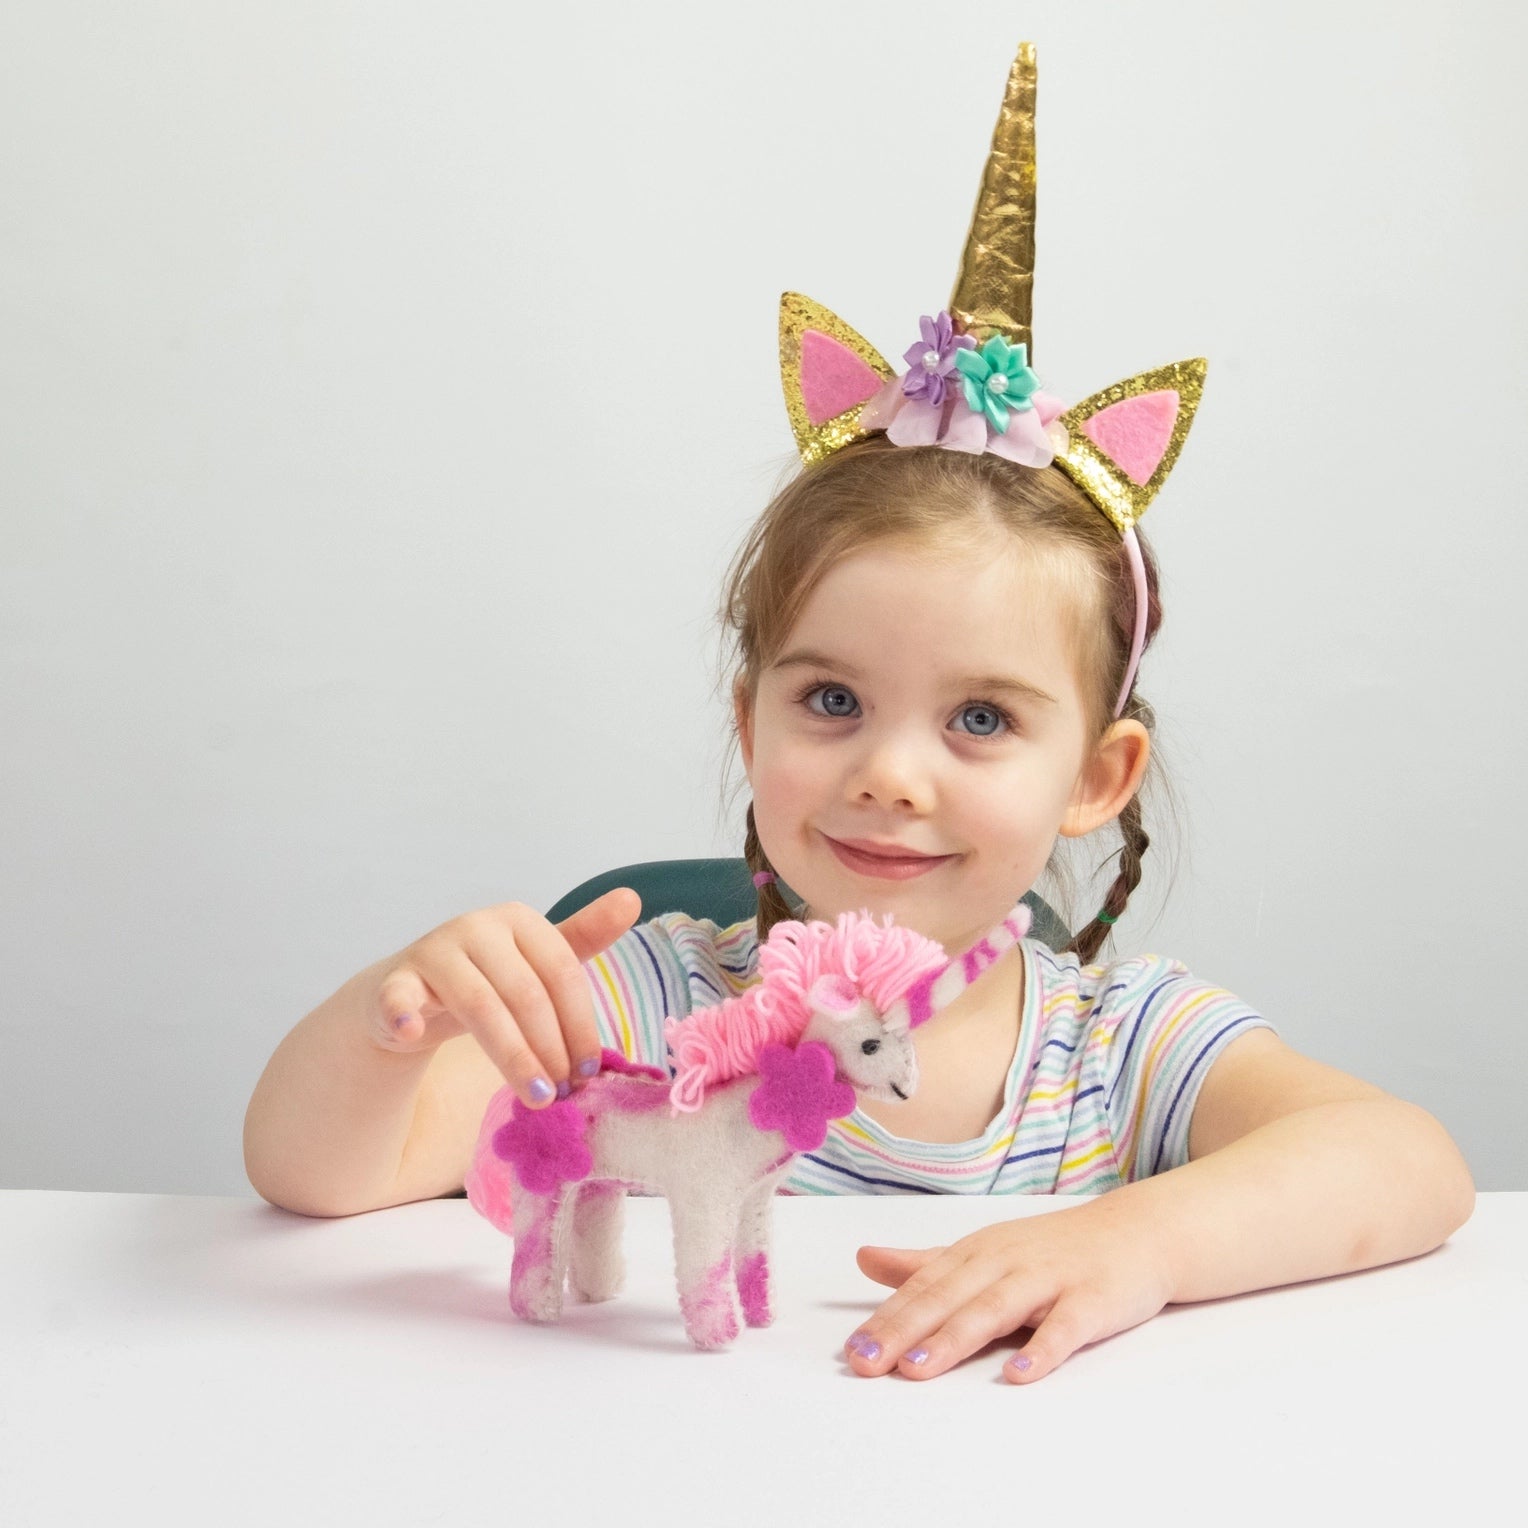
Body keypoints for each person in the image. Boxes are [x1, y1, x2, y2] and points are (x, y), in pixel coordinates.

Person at [243, 42, 1475, 1384]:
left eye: (983, 721)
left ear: (1098, 776)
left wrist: (1133, 1247)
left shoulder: (1121, 1044)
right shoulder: (653, 1005)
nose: (890, 773)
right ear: (747, 721)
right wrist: (389, 1023)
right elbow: (316, 1178)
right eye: (833, 698)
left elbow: (1411, 1164)